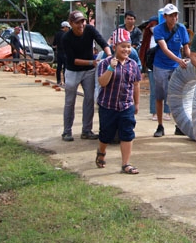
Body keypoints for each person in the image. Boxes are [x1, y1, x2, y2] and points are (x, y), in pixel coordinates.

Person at [95, 28, 141, 174]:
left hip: (126, 105)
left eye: (128, 46)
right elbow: (102, 83)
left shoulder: (133, 64)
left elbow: (136, 84)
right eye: (123, 46)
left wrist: (136, 103)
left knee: (127, 132)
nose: (126, 49)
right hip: (108, 105)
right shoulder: (105, 63)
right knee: (106, 134)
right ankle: (101, 152)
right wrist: (111, 68)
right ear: (115, 47)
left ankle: (125, 164)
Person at [61, 10, 112, 142]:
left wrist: (109, 55)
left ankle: (86, 130)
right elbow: (73, 60)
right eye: (77, 22)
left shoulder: (89, 29)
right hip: (73, 71)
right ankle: (67, 131)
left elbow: (102, 42)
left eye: (83, 21)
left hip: (89, 71)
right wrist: (92, 62)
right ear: (71, 24)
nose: (81, 25)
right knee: (69, 101)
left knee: (89, 99)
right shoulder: (66, 38)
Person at [152, 4, 190, 137]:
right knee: (160, 96)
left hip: (176, 67)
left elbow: (186, 48)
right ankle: (160, 125)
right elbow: (164, 48)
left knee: (178, 96)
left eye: (175, 15)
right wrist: (178, 60)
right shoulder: (158, 29)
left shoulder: (181, 28)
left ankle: (179, 125)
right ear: (165, 17)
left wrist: (190, 60)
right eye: (171, 15)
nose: (174, 18)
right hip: (161, 66)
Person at [138, 16, 171, 121]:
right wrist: (143, 69)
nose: (153, 28)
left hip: (165, 66)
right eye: (151, 26)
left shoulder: (165, 35)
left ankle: (167, 112)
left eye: (155, 25)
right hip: (152, 67)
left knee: (167, 90)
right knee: (154, 90)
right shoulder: (148, 37)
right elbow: (143, 52)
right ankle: (154, 112)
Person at [52, 21, 71, 85]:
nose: (68, 29)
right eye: (68, 28)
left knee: (59, 67)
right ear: (65, 27)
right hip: (65, 53)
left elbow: (54, 44)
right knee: (65, 68)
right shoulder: (66, 34)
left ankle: (59, 81)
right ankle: (66, 82)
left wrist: (55, 50)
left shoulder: (57, 34)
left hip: (58, 53)